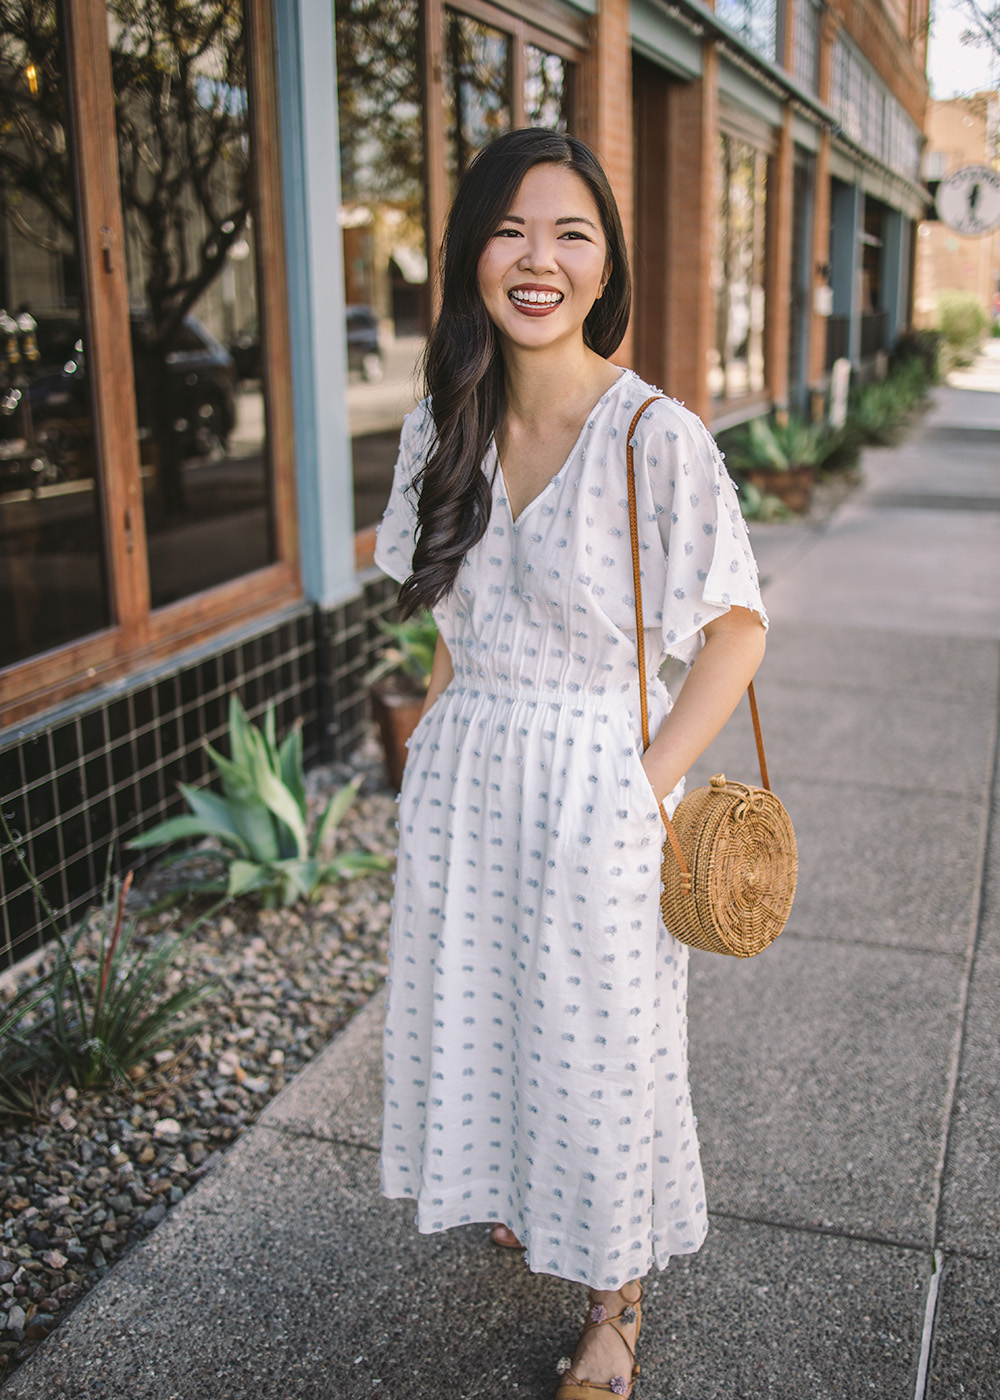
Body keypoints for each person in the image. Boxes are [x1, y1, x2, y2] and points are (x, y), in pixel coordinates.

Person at [373, 127, 767, 1397]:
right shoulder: (444, 420)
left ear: (605, 267)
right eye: (509, 230)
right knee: (489, 1008)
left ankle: (616, 1300)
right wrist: (433, 731)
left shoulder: (656, 435)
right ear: (471, 254)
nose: (536, 259)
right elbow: (445, 610)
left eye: (570, 233)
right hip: (473, 767)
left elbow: (738, 628)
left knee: (607, 1039)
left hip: (601, 767)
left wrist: (645, 781)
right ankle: (519, 1192)